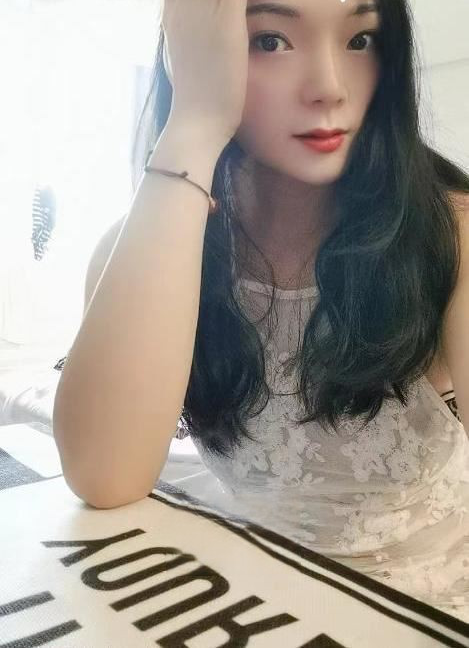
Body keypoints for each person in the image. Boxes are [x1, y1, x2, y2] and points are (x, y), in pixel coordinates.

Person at [53, 0, 469, 621]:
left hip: (423, 606)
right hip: (251, 593)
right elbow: (104, 476)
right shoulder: (146, 244)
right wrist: (195, 122)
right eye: (270, 41)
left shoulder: (451, 233)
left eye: (360, 40)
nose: (330, 88)